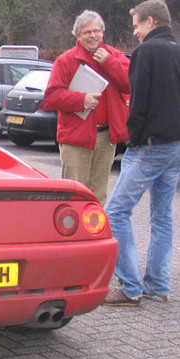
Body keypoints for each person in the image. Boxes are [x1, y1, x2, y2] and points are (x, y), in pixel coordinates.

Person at [103, 0, 180, 306]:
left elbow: (138, 104)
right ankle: (158, 285)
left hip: (148, 146)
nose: (134, 32)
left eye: (136, 26)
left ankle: (130, 286)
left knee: (116, 212)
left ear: (150, 22)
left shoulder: (146, 53)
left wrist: (131, 139)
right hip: (175, 147)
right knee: (162, 217)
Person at [43, 10, 130, 206]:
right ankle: (70, 235)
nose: (93, 35)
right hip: (76, 139)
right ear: (77, 35)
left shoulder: (114, 56)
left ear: (103, 32)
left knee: (98, 194)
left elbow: (129, 84)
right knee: (73, 193)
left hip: (107, 138)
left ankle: (94, 234)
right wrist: (81, 100)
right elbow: (51, 96)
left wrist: (109, 63)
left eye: (96, 31)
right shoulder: (66, 61)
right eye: (87, 32)